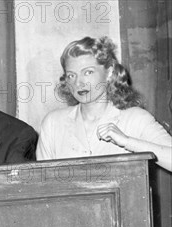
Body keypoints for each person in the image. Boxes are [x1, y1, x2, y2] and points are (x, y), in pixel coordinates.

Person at [37, 36, 172, 172]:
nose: (78, 83)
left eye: (88, 72)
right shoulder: (53, 123)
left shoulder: (135, 119)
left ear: (109, 72)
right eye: (71, 75)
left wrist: (127, 142)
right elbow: (42, 185)